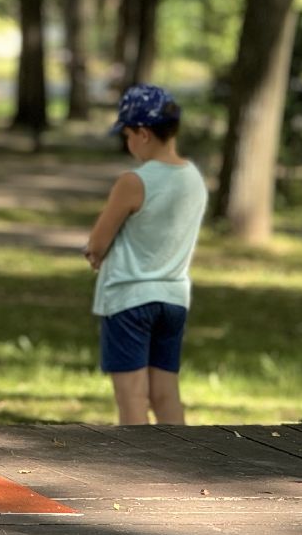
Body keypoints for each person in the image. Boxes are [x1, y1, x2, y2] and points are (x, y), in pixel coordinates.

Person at [83, 84, 208, 426]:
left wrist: (94, 254)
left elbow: (98, 242)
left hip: (129, 299)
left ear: (143, 133)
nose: (127, 143)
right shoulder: (194, 178)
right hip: (173, 299)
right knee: (166, 395)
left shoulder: (134, 181)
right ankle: (184, 465)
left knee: (132, 397)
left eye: (126, 134)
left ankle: (138, 475)